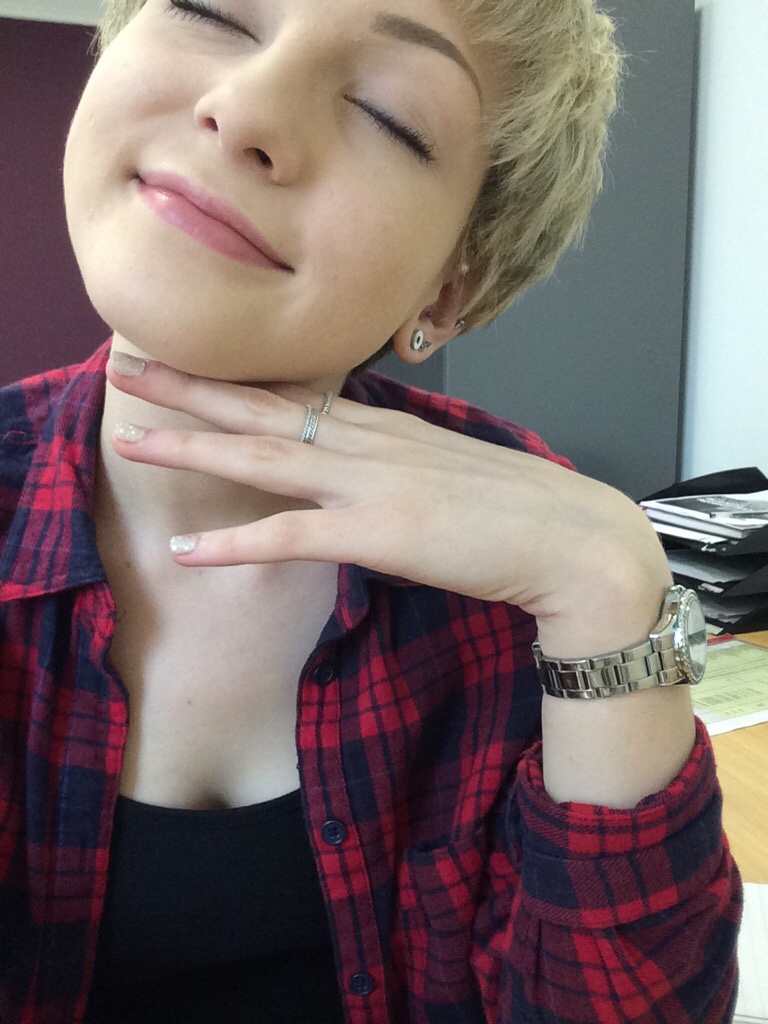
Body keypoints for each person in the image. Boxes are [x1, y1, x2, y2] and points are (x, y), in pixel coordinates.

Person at [0, 0, 741, 1021]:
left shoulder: (523, 574)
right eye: (210, 10)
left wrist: (617, 596)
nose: (246, 108)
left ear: (448, 290)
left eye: (390, 115)